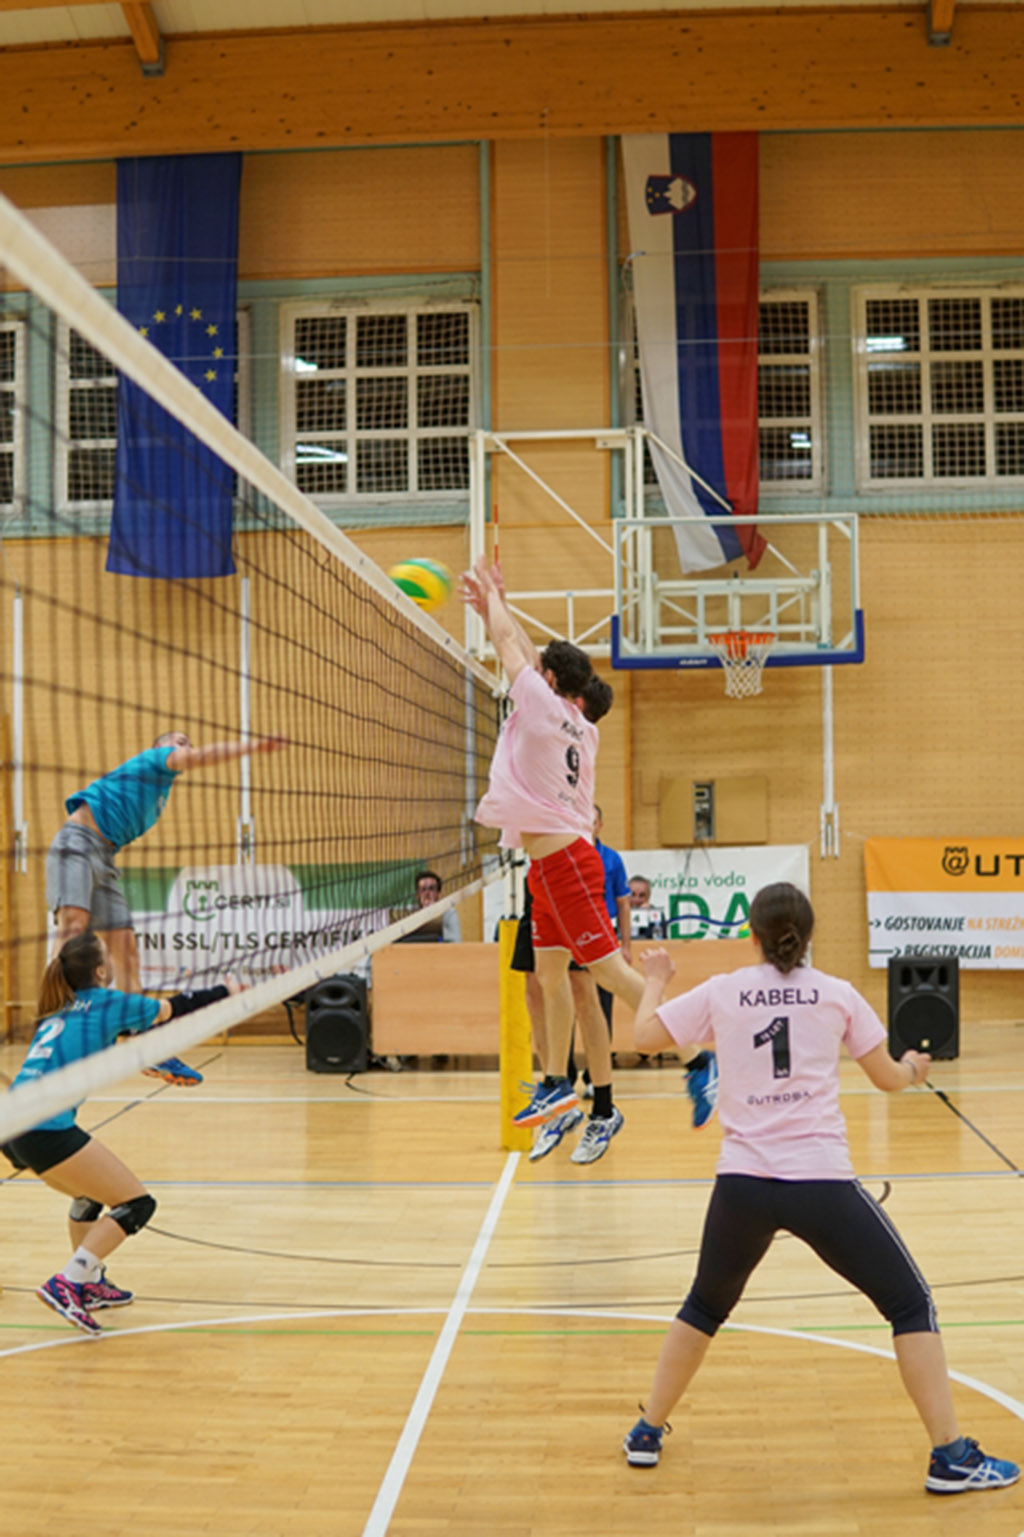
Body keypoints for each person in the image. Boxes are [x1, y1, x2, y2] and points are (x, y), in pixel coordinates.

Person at [621, 881, 1020, 1498]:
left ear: (752, 935)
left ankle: (646, 1430)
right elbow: (887, 1079)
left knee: (703, 1307)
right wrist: (914, 1069)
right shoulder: (837, 993)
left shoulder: (724, 990)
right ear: (809, 936)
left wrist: (655, 978)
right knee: (911, 1306)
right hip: (820, 1183)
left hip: (743, 1184)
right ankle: (951, 1457)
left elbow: (644, 1036)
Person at [460, 555, 716, 1131]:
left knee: (613, 978)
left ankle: (698, 1059)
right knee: (550, 977)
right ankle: (555, 1084)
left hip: (568, 864)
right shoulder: (582, 725)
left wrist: (493, 601)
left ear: (550, 683)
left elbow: (510, 646)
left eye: (540, 672)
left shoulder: (542, 706)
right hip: (548, 868)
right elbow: (528, 654)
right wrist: (498, 604)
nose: (531, 672)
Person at [1, 929, 241, 1336]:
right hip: (44, 1128)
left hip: (12, 1126)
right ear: (100, 970)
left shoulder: (61, 1008)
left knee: (89, 1195)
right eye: (108, 956)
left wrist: (141, 1052)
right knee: (136, 1204)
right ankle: (68, 1281)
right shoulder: (108, 1001)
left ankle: (90, 1282)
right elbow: (174, 1009)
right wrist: (227, 991)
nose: (113, 961)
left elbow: (97, 1039)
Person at [45, 729, 286, 1085]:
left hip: (105, 856)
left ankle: (143, 1041)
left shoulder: (161, 791)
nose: (186, 748)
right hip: (77, 842)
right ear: (159, 748)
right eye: (180, 742)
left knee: (126, 949)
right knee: (73, 926)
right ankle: (52, 1016)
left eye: (189, 742)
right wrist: (252, 746)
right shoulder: (152, 761)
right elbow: (201, 757)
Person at [414, 870, 462, 942]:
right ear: (417, 895)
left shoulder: (449, 913)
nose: (427, 893)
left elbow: (456, 941)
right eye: (423, 889)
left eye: (431, 889)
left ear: (438, 894)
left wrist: (432, 914)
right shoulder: (411, 915)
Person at [628, 874, 667, 940]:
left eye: (641, 895)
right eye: (632, 894)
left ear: (648, 897)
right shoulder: (616, 913)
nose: (636, 899)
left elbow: (659, 940)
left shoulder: (656, 914)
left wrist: (644, 915)